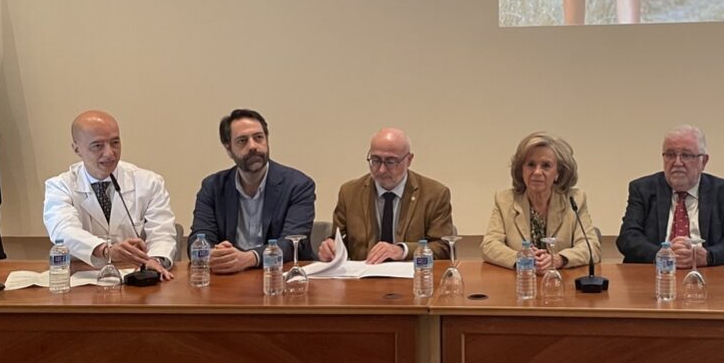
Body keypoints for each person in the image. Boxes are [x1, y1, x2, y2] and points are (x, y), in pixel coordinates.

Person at [42, 110, 175, 279]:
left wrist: (155, 260)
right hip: (82, 277)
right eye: (98, 146)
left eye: (115, 143)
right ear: (77, 149)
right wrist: (106, 250)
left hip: (135, 277)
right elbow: (63, 230)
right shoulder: (60, 186)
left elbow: (162, 232)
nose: (110, 153)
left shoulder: (149, 182)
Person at [190, 108, 315, 274]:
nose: (253, 146)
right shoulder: (212, 187)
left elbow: (293, 243)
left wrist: (250, 258)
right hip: (229, 278)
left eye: (258, 137)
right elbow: (199, 236)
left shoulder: (297, 185)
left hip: (280, 277)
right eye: (242, 141)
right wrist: (212, 254)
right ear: (228, 149)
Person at [617, 125, 724, 267]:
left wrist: (707, 256)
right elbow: (628, 237)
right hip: (656, 273)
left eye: (686, 155)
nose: (677, 163)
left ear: (704, 161)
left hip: (707, 274)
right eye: (670, 155)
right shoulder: (643, 189)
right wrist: (663, 255)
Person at [317, 127, 454, 264]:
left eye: (390, 162)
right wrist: (330, 249)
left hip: (412, 274)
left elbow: (443, 248)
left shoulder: (435, 194)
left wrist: (402, 250)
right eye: (375, 160)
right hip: (364, 274)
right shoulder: (349, 193)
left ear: (409, 160)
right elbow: (339, 240)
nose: (381, 170)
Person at [481, 131, 600, 270]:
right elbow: (489, 245)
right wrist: (520, 257)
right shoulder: (504, 200)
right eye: (531, 165)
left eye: (546, 165)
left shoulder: (575, 200)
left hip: (561, 280)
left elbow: (591, 246)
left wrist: (559, 259)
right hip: (521, 279)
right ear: (521, 170)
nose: (537, 172)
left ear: (558, 173)